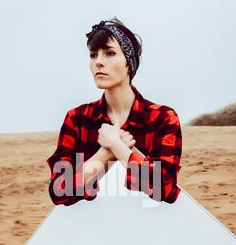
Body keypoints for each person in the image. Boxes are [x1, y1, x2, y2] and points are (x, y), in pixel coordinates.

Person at [46, 17, 182, 206]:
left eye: (109, 53)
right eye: (93, 55)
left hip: (151, 228)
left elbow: (164, 188)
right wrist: (106, 153)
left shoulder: (162, 118)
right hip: (92, 229)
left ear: (129, 62)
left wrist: (119, 147)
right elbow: (59, 191)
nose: (98, 62)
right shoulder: (77, 119)